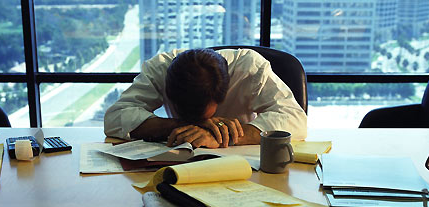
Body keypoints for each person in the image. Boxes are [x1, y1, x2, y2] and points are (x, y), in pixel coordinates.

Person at [104, 48, 307, 148]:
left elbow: (296, 120)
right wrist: (182, 125)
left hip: (244, 166)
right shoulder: (160, 69)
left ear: (223, 94)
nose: (201, 124)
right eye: (190, 118)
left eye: (205, 117)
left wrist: (221, 135)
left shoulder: (250, 67)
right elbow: (114, 118)